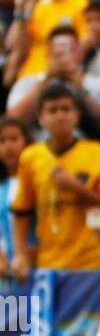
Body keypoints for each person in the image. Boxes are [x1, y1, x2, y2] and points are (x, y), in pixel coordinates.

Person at [9, 81, 100, 279]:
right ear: (40, 118)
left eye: (66, 109)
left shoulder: (97, 152)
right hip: (51, 263)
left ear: (77, 115)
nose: (60, 115)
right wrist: (20, 254)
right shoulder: (31, 156)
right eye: (52, 110)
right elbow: (21, 211)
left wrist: (77, 189)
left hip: (95, 261)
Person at [6, 23, 100, 152]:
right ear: (47, 53)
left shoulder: (99, 84)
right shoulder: (28, 83)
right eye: (56, 52)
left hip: (90, 156)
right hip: (38, 155)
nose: (61, 58)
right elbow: (12, 121)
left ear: (80, 53)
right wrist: (44, 82)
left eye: (67, 51)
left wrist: (81, 90)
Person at [0, 117, 33, 277]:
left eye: (14, 139)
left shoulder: (36, 182)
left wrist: (26, 257)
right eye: (2, 140)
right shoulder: (2, 188)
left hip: (39, 271)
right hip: (7, 277)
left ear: (27, 142)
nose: (8, 146)